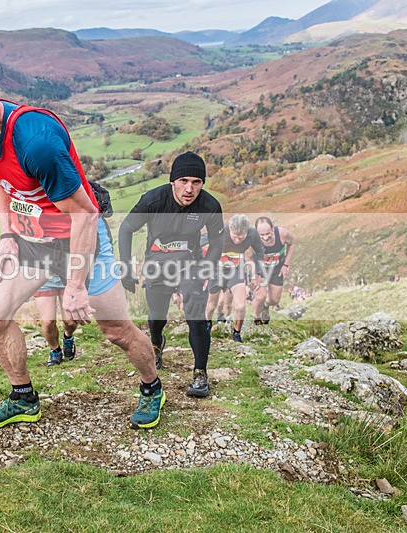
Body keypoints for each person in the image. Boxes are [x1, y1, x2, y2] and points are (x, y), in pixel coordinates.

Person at [0, 59, 163, 430]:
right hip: (33, 241)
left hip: (80, 240)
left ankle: (152, 388)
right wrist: (6, 237)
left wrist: (76, 287)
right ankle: (23, 399)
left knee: (116, 331)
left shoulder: (36, 142)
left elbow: (85, 214)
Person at [118, 151, 224, 397]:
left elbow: (218, 239)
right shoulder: (153, 200)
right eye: (184, 181)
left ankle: (200, 372)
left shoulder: (209, 205)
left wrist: (207, 267)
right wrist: (126, 267)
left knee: (196, 315)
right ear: (173, 181)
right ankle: (156, 344)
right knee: (157, 316)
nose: (190, 188)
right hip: (158, 261)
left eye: (196, 182)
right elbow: (126, 228)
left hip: (191, 262)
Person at [205, 214, 264, 343]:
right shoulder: (219, 231)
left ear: (246, 232)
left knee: (240, 306)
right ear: (229, 230)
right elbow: (197, 243)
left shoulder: (252, 234)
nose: (237, 240)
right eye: (235, 237)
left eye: (241, 237)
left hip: (236, 270)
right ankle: (207, 325)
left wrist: (258, 274)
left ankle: (236, 333)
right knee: (212, 304)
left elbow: (260, 252)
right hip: (216, 270)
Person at [252, 217, 295, 324]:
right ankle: (256, 318)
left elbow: (292, 244)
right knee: (260, 296)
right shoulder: (251, 239)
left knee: (274, 300)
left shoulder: (282, 234)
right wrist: (255, 274)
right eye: (262, 235)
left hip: (277, 269)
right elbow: (248, 257)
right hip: (260, 269)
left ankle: (265, 307)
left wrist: (286, 265)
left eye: (268, 233)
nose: (266, 238)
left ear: (272, 228)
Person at [33, 274, 77, 366]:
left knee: (70, 322)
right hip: (43, 277)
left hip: (68, 276)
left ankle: (68, 337)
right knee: (48, 322)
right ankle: (55, 350)